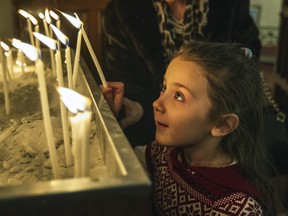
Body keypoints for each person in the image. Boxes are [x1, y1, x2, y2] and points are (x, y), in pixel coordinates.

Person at [100, 41, 275, 215]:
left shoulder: (239, 207)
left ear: (222, 125)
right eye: (164, 87)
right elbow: (130, 167)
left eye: (178, 96)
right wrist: (107, 119)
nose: (156, 103)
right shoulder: (164, 153)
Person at [102, 0, 261, 147]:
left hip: (215, 131)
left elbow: (245, 58)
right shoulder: (123, 8)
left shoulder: (229, 5)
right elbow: (124, 74)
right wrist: (137, 106)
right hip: (151, 124)